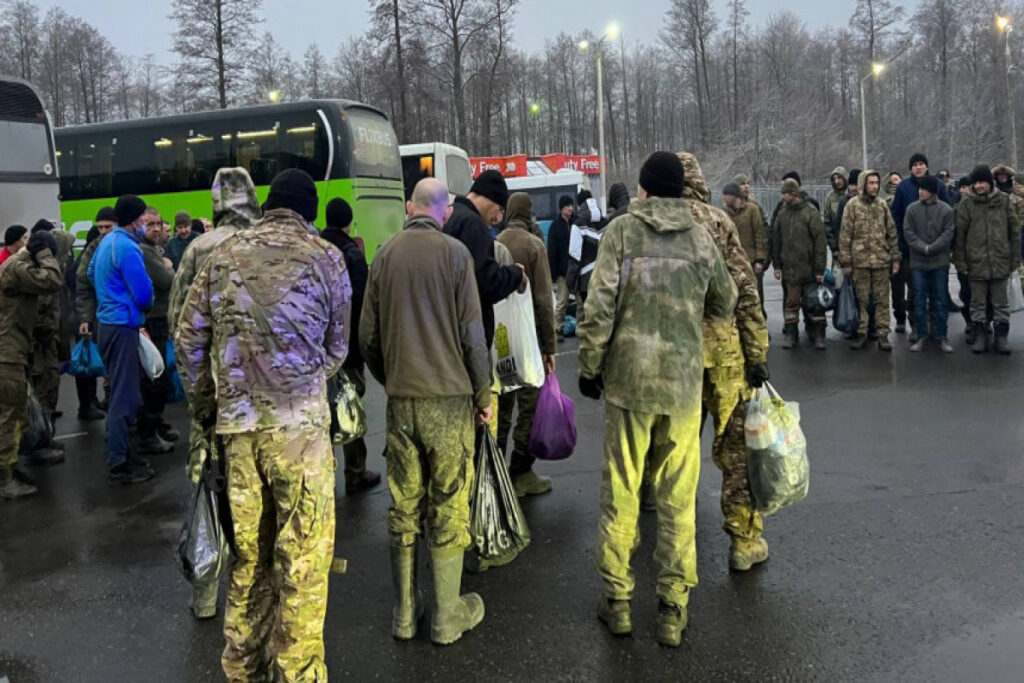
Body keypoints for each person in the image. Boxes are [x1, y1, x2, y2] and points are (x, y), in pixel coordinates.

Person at [176, 169, 351, 679]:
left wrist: (209, 406)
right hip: (300, 434)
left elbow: (188, 342)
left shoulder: (220, 257)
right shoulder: (327, 258)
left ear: (267, 205)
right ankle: (296, 672)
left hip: (239, 433)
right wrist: (300, 377)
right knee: (302, 559)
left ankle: (242, 669)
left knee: (249, 562)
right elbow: (337, 348)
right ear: (309, 212)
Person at [578, 152, 737, 647]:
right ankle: (672, 608)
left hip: (629, 383)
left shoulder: (621, 233)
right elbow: (725, 301)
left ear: (644, 189)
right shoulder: (700, 237)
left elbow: (598, 304)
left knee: (623, 492)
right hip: (683, 387)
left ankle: (619, 600)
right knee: (677, 498)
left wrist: (589, 365)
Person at [360, 177, 491, 645]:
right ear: (445, 212)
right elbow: (473, 337)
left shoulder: (385, 255)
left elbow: (367, 337)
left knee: (404, 503)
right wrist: (483, 395)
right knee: (450, 502)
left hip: (402, 403)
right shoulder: (456, 256)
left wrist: (390, 377)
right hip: (449, 401)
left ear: (409, 206)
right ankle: (445, 616)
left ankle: (404, 612)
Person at [169, 168, 261, 622]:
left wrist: (198, 398)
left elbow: (178, 324)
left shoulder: (198, 249)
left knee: (207, 485)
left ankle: (206, 594)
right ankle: (254, 590)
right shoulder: (266, 245)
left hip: (213, 393)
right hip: (261, 399)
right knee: (255, 494)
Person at [681, 152, 771, 571]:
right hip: (722, 353)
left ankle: (671, 540)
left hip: (669, 356)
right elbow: (745, 289)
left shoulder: (642, 223)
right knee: (734, 449)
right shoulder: (717, 220)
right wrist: (756, 352)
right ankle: (743, 540)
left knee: (671, 447)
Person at [88, 195, 155, 484]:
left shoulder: (106, 243)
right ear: (133, 219)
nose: (145, 222)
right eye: (142, 217)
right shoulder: (128, 247)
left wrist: (110, 295)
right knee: (124, 398)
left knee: (122, 392)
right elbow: (143, 294)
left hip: (108, 324)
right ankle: (119, 462)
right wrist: (130, 302)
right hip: (123, 326)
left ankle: (124, 453)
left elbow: (91, 273)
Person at [496, 192, 557, 500]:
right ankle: (521, 471)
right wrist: (550, 347)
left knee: (502, 406)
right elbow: (545, 301)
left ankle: (494, 472)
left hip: (500, 339)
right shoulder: (534, 245)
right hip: (529, 339)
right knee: (529, 406)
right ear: (530, 213)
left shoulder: (495, 241)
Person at [321, 196, 381, 495]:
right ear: (348, 222)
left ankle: (323, 471)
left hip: (318, 350)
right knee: (351, 406)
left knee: (323, 409)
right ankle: (355, 471)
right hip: (348, 348)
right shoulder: (352, 254)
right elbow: (363, 304)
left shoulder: (315, 250)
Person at [0, 229, 63, 499]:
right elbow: (53, 279)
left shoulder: (15, 266)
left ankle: (10, 469)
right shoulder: (19, 267)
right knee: (8, 416)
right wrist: (46, 254)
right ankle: (4, 479)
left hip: (13, 349)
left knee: (15, 414)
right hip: (7, 353)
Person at [443, 169, 525, 348]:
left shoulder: (449, 216)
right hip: (468, 337)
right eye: (499, 209)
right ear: (490, 199)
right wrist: (516, 273)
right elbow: (487, 283)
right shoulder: (473, 225)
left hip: (447, 330)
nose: (497, 218)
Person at [953, 165, 1020, 354]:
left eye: (982, 182)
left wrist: (1015, 258)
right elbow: (960, 235)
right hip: (976, 262)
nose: (979, 186)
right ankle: (980, 335)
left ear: (989, 183)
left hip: (1000, 261)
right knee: (977, 303)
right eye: (975, 182)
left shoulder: (1004, 201)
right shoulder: (966, 204)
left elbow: (1014, 231)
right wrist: (960, 262)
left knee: (1000, 303)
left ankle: (1001, 337)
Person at [889, 153, 953, 342]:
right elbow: (897, 217)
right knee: (915, 293)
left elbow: (947, 216)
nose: (918, 167)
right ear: (910, 168)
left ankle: (936, 327)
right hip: (911, 251)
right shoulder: (903, 187)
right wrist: (902, 245)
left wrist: (941, 246)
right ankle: (917, 327)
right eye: (915, 164)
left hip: (937, 252)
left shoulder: (938, 185)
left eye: (922, 164)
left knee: (936, 293)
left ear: (926, 166)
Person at [27, 219, 75, 458]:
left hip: (51, 340)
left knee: (50, 385)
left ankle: (46, 436)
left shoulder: (56, 270)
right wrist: (49, 332)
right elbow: (39, 311)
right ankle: (39, 442)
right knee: (42, 388)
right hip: (40, 343)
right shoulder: (44, 274)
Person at [838, 170, 901, 351]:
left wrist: (895, 258)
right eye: (871, 183)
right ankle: (861, 333)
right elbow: (845, 236)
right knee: (861, 300)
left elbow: (892, 233)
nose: (874, 186)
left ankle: (882, 334)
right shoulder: (852, 205)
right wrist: (846, 262)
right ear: (863, 184)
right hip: (860, 262)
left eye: (876, 183)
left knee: (882, 300)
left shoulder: (882, 205)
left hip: (881, 261)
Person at [137, 209, 177, 454]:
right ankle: (147, 433)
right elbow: (165, 280)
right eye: (149, 224)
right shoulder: (144, 251)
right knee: (154, 379)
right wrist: (169, 268)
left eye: (158, 224)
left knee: (156, 379)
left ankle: (155, 424)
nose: (155, 228)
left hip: (159, 318)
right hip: (152, 321)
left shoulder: (153, 249)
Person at [772, 178, 828, 350]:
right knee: (791, 304)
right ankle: (791, 334)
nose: (782, 197)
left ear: (793, 194)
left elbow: (820, 242)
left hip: (809, 269)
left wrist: (819, 269)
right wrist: (777, 265)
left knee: (814, 304)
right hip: (790, 269)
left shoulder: (810, 212)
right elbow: (776, 239)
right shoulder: (782, 213)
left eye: (785, 193)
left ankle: (818, 335)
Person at [904, 175, 955, 353]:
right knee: (919, 301)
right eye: (919, 189)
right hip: (918, 263)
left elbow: (948, 233)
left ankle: (942, 336)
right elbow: (908, 232)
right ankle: (921, 336)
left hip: (939, 263)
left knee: (941, 301)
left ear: (932, 191)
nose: (920, 192)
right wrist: (922, 248)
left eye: (924, 189)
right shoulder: (912, 209)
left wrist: (932, 248)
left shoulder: (946, 210)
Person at [75, 207, 116, 418]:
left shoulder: (124, 244)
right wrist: (85, 319)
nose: (103, 231)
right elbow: (83, 287)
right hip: (104, 317)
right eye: (100, 227)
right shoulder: (93, 250)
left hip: (126, 317)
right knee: (111, 368)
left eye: (107, 226)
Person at [722, 183, 768, 307]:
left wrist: (759, 259)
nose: (724, 198)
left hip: (751, 260)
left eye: (726, 195)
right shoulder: (724, 212)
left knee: (756, 295)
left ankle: (760, 319)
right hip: (732, 261)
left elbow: (759, 234)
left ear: (734, 196)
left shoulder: (752, 210)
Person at [567, 189, 605, 319]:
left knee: (586, 317)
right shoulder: (607, 222)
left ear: (579, 205)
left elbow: (574, 256)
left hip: (585, 281)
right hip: (605, 277)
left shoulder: (578, 225)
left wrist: (570, 284)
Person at [547, 195, 573, 342]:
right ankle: (558, 328)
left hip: (574, 268)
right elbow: (552, 250)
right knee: (562, 300)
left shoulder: (575, 222)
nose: (570, 208)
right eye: (566, 206)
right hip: (563, 270)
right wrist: (554, 272)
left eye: (571, 205)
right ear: (561, 208)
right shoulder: (556, 226)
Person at [822, 166, 849, 257]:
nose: (837, 181)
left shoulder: (852, 195)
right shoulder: (830, 198)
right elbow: (827, 223)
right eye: (834, 179)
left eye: (839, 178)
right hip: (838, 245)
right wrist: (834, 247)